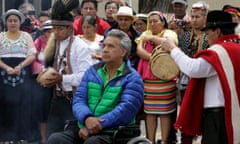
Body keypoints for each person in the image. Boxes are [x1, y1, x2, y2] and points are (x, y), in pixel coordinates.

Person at [47, 29, 144, 144]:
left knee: (93, 142)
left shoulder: (132, 77)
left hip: (113, 131)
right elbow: (79, 99)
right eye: (104, 46)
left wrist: (94, 126)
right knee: (56, 139)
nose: (105, 50)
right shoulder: (92, 71)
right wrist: (87, 118)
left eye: (111, 46)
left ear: (123, 52)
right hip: (85, 125)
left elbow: (125, 110)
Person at [158, 10, 240, 144]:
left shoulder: (220, 51)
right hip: (228, 112)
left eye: (207, 34)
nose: (206, 38)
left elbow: (193, 69)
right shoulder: (235, 47)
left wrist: (173, 49)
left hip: (217, 116)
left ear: (218, 31)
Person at [38, 0, 93, 138]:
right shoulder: (53, 45)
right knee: (53, 136)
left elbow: (85, 76)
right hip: (56, 100)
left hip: (75, 100)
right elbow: (46, 66)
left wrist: (62, 78)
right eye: (54, 28)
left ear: (70, 28)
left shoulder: (81, 46)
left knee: (70, 137)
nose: (56, 32)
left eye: (60, 28)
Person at [136, 11, 178, 144]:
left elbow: (169, 45)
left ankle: (165, 141)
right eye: (150, 21)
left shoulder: (169, 33)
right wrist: (155, 60)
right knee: (150, 112)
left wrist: (152, 39)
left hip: (165, 78)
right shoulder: (145, 34)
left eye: (155, 21)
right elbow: (139, 50)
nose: (152, 24)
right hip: (149, 79)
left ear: (163, 22)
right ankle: (150, 141)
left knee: (165, 112)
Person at [0, 9, 39, 143]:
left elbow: (32, 54)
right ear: (6, 22)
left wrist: (20, 66)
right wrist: (7, 67)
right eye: (10, 20)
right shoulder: (1, 36)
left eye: (15, 20)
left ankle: (22, 137)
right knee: (5, 104)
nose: (12, 23)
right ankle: (6, 138)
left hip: (23, 74)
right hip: (4, 75)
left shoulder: (26, 36)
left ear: (20, 22)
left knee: (23, 105)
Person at [33, 20, 53, 144]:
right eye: (47, 30)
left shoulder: (58, 42)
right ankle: (43, 138)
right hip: (41, 81)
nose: (49, 33)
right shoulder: (38, 42)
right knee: (42, 110)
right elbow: (33, 59)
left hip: (56, 80)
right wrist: (40, 70)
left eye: (51, 30)